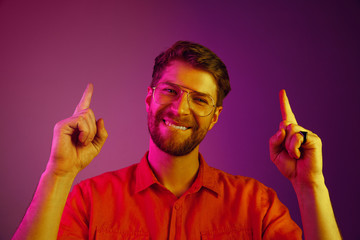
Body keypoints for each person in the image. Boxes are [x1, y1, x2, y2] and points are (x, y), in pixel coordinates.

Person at [12, 41, 341, 239]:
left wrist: (310, 186)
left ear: (215, 117)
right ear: (149, 99)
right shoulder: (89, 200)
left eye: (199, 99)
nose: (180, 108)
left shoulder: (257, 204)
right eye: (170, 91)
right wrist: (58, 174)